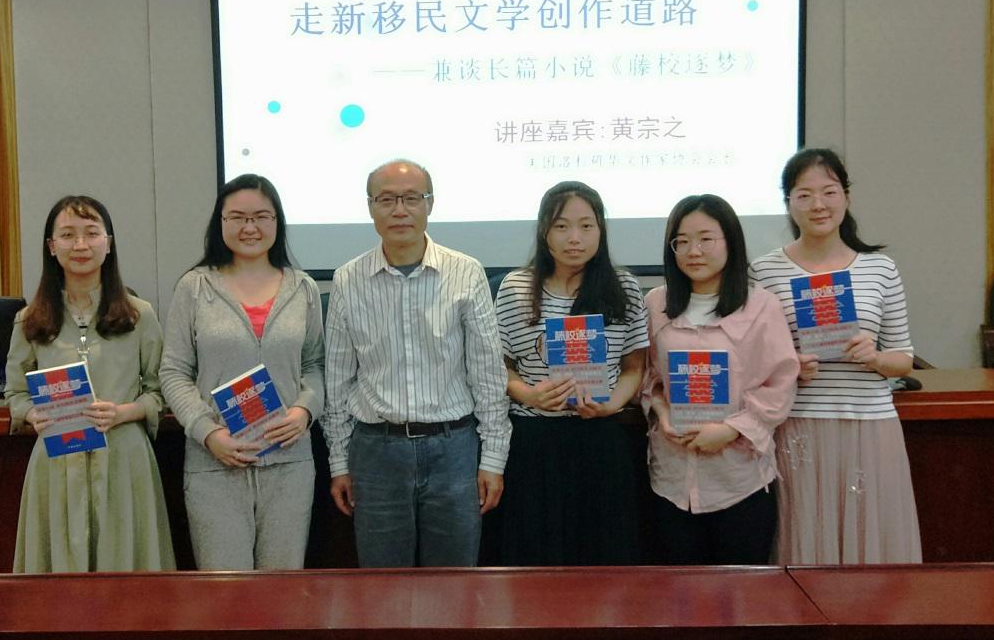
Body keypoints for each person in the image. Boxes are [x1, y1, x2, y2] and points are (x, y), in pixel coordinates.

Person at [322, 158, 511, 567]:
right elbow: (337, 381)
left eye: (411, 198)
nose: (399, 210)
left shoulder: (466, 273)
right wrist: (338, 462)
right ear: (370, 207)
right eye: (386, 199)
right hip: (376, 452)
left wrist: (493, 459)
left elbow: (487, 375)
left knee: (453, 582)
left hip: (454, 448)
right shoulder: (347, 280)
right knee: (383, 584)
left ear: (430, 204)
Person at [750, 148, 922, 564]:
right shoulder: (764, 271)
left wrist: (875, 357)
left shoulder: (880, 269)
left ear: (846, 197)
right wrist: (790, 366)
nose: (818, 205)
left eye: (829, 192)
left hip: (870, 424)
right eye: (804, 195)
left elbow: (903, 358)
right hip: (798, 424)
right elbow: (752, 363)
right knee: (805, 543)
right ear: (788, 203)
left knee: (871, 544)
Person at [159, 175, 324, 570]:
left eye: (261, 217)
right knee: (225, 590)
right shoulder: (195, 287)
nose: (250, 227)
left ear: (277, 222)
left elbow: (315, 365)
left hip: (288, 461)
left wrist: (304, 411)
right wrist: (208, 433)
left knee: (281, 586)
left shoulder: (303, 289)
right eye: (237, 217)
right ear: (220, 222)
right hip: (215, 461)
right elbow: (174, 371)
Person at [5, 195, 175, 573]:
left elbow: (160, 390)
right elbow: (14, 392)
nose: (80, 244)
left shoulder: (139, 315)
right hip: (57, 460)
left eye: (91, 233)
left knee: (125, 575)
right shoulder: (29, 319)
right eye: (68, 235)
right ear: (51, 247)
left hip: (123, 459)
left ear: (108, 243)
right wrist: (31, 413)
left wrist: (123, 412)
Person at [493, 181, 648, 565]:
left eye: (586, 225)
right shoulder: (515, 287)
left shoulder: (624, 287)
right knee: (536, 556)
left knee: (602, 556)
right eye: (561, 226)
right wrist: (529, 394)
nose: (574, 237)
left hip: (600, 438)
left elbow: (634, 367)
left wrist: (612, 404)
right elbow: (499, 368)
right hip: (534, 441)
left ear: (601, 230)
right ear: (544, 231)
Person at [641, 194, 798, 565]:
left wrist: (730, 430)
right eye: (682, 241)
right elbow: (650, 378)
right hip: (671, 478)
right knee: (676, 591)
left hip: (739, 479)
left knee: (739, 592)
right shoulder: (656, 304)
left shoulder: (761, 305)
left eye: (706, 239)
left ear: (731, 241)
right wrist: (662, 413)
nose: (693, 251)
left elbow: (781, 383)